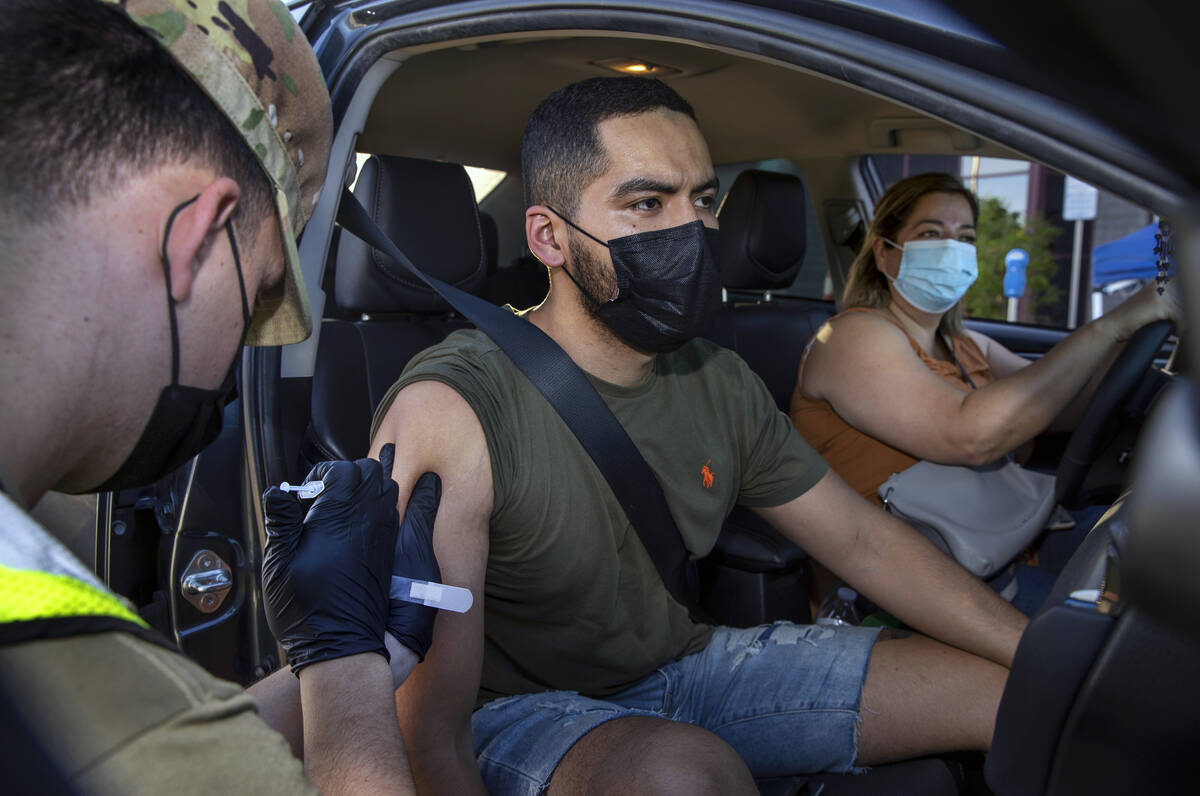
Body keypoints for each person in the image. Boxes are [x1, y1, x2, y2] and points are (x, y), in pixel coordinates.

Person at [370, 77, 1030, 796]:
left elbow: (865, 543)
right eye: (648, 203)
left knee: (1013, 697)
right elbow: (425, 726)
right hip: (510, 714)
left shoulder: (718, 379)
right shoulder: (455, 405)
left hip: (685, 668)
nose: (693, 231)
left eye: (704, 200)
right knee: (681, 776)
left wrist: (1040, 655)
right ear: (549, 237)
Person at [0, 1, 436, 793]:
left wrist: (360, 654)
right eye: (264, 290)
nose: (248, 348)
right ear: (197, 237)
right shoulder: (63, 662)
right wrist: (343, 669)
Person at [789, 173, 1180, 579]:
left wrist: (1133, 338)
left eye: (966, 237)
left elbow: (1059, 399)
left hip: (998, 546)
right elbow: (967, 434)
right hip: (907, 578)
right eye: (931, 232)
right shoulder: (851, 337)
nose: (952, 248)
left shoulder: (966, 344)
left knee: (1162, 550)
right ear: (884, 253)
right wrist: (1109, 326)